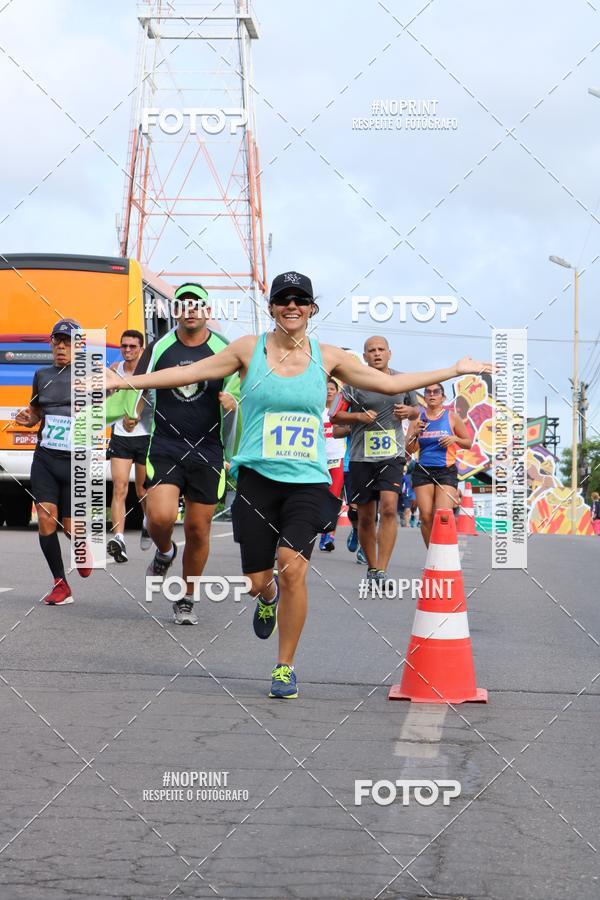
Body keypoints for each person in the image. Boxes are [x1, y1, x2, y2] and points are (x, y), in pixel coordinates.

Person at [106, 270, 494, 699]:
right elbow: (187, 374)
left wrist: (454, 369)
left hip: (307, 480)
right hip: (256, 478)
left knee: (293, 566)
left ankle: (284, 666)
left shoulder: (328, 357)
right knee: (258, 580)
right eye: (283, 299)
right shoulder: (246, 349)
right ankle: (265, 596)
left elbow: (388, 383)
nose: (292, 306)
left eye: (300, 300)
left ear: (311, 308)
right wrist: (124, 380)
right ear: (272, 307)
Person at [124, 282, 240, 625]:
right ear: (176, 311)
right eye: (184, 304)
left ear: (207, 311)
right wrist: (132, 409)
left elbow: (242, 384)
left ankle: (188, 597)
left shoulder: (224, 347)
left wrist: (234, 402)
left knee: (198, 528)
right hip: (166, 444)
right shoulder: (161, 345)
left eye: (197, 304)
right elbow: (140, 380)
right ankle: (164, 551)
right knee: (159, 517)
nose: (190, 309)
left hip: (208, 448)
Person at [330, 335, 420, 586]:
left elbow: (416, 410)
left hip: (392, 456)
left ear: (390, 353)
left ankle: (382, 568)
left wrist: (409, 412)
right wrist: (358, 417)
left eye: (381, 349)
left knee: (390, 508)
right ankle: (372, 568)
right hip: (361, 457)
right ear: (365, 356)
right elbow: (334, 415)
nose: (377, 353)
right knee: (367, 517)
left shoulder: (403, 381)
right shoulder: (352, 383)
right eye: (371, 350)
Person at [15, 319, 92, 605]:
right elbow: (36, 412)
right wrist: (28, 420)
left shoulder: (91, 377)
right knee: (46, 518)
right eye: (57, 341)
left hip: (76, 461)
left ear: (79, 346)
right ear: (50, 344)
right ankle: (61, 584)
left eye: (69, 341)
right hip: (46, 457)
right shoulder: (41, 374)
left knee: (71, 528)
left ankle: (83, 548)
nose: (62, 347)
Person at [405, 383, 473, 546]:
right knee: (426, 516)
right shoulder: (417, 419)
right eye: (428, 392)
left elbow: (468, 443)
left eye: (436, 392)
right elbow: (409, 449)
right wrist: (415, 434)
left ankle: (445, 552)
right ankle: (432, 557)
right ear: (425, 397)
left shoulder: (452, 417)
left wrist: (454, 439)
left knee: (443, 515)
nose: (432, 394)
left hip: (446, 471)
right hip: (423, 470)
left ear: (443, 397)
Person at [106, 330, 152, 563]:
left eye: (133, 346)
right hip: (121, 437)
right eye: (124, 346)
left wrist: (134, 416)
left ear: (141, 349)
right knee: (119, 487)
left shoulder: (148, 371)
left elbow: (145, 396)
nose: (128, 350)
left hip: (144, 435)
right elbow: (105, 398)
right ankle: (119, 539)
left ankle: (147, 523)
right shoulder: (115, 369)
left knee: (142, 491)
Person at [319, 377, 347, 551]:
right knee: (317, 499)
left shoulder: (341, 411)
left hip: (337, 458)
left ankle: (327, 536)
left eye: (332, 388)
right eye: (326, 388)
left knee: (333, 498)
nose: (329, 391)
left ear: (337, 392)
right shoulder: (316, 410)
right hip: (317, 460)